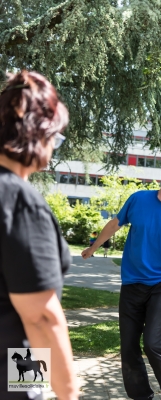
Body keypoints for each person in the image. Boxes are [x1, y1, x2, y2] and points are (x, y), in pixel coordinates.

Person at [82, 158, 161, 400]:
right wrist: (94, 247)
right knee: (129, 347)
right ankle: (142, 396)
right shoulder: (138, 199)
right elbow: (115, 224)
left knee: (153, 344)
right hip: (133, 283)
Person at [0, 71, 79, 400]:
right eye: (55, 138)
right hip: (12, 372)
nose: (53, 147)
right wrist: (68, 394)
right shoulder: (18, 200)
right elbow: (41, 317)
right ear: (38, 132)